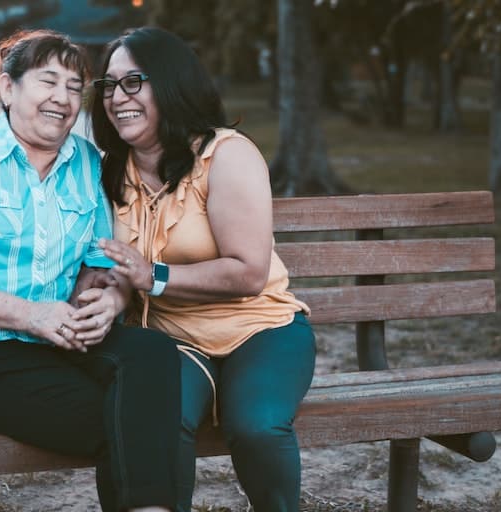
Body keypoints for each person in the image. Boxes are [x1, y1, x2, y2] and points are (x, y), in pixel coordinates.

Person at [0, 29, 180, 512]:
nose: (62, 99)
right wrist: (30, 315)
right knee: (130, 419)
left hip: (55, 345)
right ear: (7, 88)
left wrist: (106, 299)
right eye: (48, 81)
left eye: (73, 86)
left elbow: (99, 266)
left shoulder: (86, 162)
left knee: (151, 353)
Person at [89, 27, 317, 512]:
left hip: (260, 331)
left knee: (256, 426)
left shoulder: (225, 155)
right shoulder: (109, 171)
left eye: (133, 82)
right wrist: (109, 292)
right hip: (171, 340)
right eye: (108, 85)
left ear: (170, 83)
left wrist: (155, 276)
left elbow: (249, 272)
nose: (116, 97)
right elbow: (113, 267)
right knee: (153, 422)